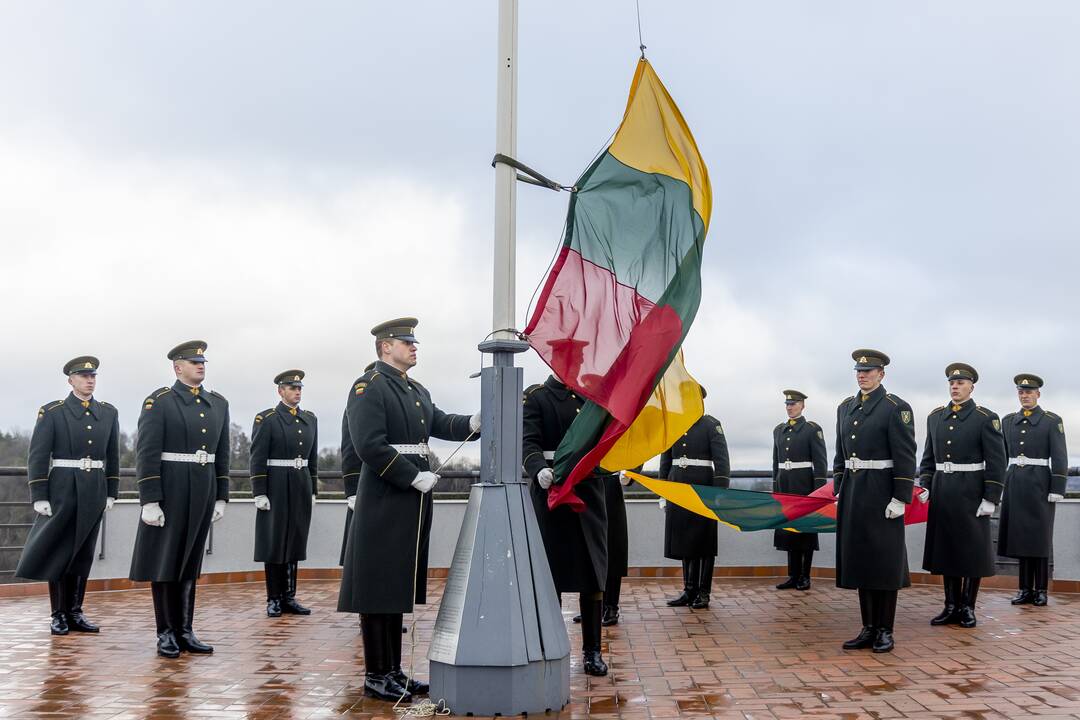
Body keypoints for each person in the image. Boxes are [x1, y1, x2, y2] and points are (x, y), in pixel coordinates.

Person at [337, 318, 479, 701]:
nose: (414, 347)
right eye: (406, 342)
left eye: (414, 342)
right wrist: (410, 476)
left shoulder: (415, 389)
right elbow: (368, 444)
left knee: (396, 584)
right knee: (377, 585)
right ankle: (375, 675)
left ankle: (393, 672)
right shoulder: (369, 387)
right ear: (386, 347)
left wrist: (474, 422)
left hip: (411, 496)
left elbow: (440, 421)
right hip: (385, 493)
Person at [129, 341, 230, 659]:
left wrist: (221, 495)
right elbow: (146, 452)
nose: (201, 365)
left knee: (189, 562)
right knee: (165, 562)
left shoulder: (218, 404)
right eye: (193, 362)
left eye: (203, 361)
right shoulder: (159, 402)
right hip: (170, 490)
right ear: (177, 367)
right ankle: (166, 633)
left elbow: (221, 454)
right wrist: (150, 499)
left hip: (202, 489)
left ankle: (185, 631)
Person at [16, 356, 119, 635]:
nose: (90, 380)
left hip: (94, 488)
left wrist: (111, 491)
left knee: (83, 553)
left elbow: (112, 455)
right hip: (62, 487)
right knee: (61, 551)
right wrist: (39, 494)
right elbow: (37, 456)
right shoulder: (53, 412)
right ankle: (58, 613)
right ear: (70, 380)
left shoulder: (108, 412)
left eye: (93, 376)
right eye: (83, 376)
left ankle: (75, 611)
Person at [523, 372, 611, 676]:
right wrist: (537, 469)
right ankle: (550, 646)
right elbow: (527, 441)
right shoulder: (536, 397)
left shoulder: (592, 397)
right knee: (551, 573)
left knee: (592, 571)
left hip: (587, 490)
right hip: (551, 491)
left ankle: (592, 652)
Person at [834, 349, 916, 654]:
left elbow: (906, 455)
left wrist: (901, 497)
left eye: (868, 371)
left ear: (881, 374)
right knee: (861, 560)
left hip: (882, 492)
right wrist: (839, 484)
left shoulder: (896, 408)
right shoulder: (845, 407)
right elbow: (840, 452)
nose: (862, 375)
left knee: (884, 562)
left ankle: (885, 629)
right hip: (855, 491)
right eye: (858, 370)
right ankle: (868, 627)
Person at [917, 363, 1006, 628]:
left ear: (971, 386)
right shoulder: (935, 417)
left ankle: (967, 606)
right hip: (944, 490)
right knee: (948, 550)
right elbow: (928, 458)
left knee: (971, 552)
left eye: (961, 383)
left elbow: (997, 461)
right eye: (952, 384)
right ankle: (950, 605)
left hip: (972, 490)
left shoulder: (984, 417)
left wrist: (991, 496)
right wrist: (926, 485)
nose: (955, 387)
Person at [250, 370, 319, 618]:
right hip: (276, 485)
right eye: (292, 388)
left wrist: (313, 488)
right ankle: (274, 598)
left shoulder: (310, 419)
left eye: (299, 388)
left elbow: (313, 459)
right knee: (275, 542)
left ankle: (289, 597)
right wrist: (260, 491)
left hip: (300, 484)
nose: (297, 392)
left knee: (295, 541)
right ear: (280, 391)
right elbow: (257, 457)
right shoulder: (267, 419)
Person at [997, 374, 1069, 606]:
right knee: (1021, 538)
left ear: (1038, 394)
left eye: (1029, 392)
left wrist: (1058, 487)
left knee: (1039, 538)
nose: (1025, 395)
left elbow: (1060, 456)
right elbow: (1000, 456)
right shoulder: (1008, 421)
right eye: (1021, 392)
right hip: (1015, 483)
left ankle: (1041, 590)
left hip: (1040, 484)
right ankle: (1024, 589)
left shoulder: (1051, 420)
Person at [658, 386, 730, 610]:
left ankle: (703, 592)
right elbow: (665, 461)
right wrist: (663, 493)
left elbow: (722, 462)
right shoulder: (674, 424)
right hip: (678, 487)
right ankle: (689, 590)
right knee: (684, 540)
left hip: (703, 488)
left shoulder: (711, 425)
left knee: (704, 543)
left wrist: (718, 494)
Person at [771, 390, 827, 591]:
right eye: (787, 404)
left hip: (805, 487)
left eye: (793, 404)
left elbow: (820, 463)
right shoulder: (779, 430)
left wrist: (819, 493)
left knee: (805, 532)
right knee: (789, 532)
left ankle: (805, 576)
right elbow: (775, 463)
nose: (789, 407)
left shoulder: (812, 429)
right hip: (785, 487)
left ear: (802, 405)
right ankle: (793, 576)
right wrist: (776, 487)